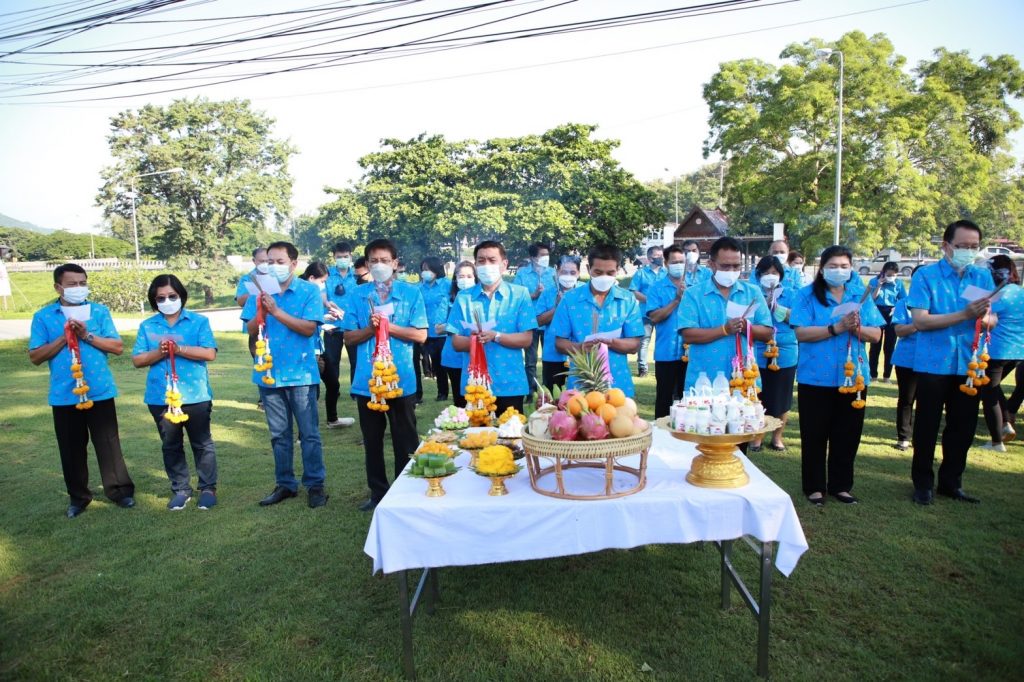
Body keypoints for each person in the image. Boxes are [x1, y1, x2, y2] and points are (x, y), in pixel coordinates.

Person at [29, 263, 135, 518]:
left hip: (99, 390)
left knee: (108, 444)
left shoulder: (99, 312)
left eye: (82, 283)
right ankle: (78, 498)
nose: (78, 288)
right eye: (72, 284)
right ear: (58, 287)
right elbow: (35, 356)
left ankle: (120, 491)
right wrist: (63, 337)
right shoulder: (44, 317)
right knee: (71, 447)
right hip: (64, 394)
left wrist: (86, 335)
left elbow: (117, 347)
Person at [908, 219, 994, 505]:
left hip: (970, 364)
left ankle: (951, 483)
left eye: (974, 246)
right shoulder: (926, 276)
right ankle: (923, 484)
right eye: (963, 246)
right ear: (946, 246)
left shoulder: (982, 277)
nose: (969, 251)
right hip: (934, 362)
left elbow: (992, 318)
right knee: (927, 426)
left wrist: (986, 318)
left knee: (963, 427)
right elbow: (920, 321)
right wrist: (964, 315)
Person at [790, 246, 884, 505]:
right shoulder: (806, 295)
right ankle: (814, 486)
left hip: (853, 377)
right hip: (815, 377)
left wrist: (856, 328)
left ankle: (841, 486)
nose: (839, 271)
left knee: (848, 433)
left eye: (844, 266)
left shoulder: (859, 295)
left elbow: (876, 334)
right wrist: (836, 328)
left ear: (851, 268)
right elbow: (801, 333)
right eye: (833, 266)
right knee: (814, 433)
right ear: (822, 269)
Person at [242, 241, 329, 509]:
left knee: (309, 434)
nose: (273, 266)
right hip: (268, 373)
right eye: (270, 261)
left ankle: (315, 484)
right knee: (279, 434)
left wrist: (276, 311)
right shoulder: (259, 290)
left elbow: (309, 329)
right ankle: (285, 484)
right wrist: (261, 310)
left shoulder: (308, 291)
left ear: (293, 263)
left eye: (280, 262)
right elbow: (250, 329)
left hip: (300, 374)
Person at [344, 239, 428, 512]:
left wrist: (388, 327)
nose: (379, 265)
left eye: (384, 260)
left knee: (406, 438)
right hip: (368, 380)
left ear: (395, 263)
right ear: (367, 264)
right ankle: (378, 493)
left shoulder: (411, 293)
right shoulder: (357, 295)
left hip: (401, 379)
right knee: (372, 440)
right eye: (373, 261)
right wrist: (371, 329)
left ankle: (406, 492)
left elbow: (420, 335)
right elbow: (349, 337)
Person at [132, 274, 219, 510]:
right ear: (154, 300)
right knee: (171, 445)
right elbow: (138, 360)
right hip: (161, 396)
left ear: (181, 295)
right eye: (161, 298)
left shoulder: (198, 321)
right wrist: (160, 352)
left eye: (172, 296)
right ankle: (181, 489)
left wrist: (179, 348)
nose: (167, 301)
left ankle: (208, 488)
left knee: (202, 443)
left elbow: (209, 353)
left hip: (195, 394)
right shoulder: (148, 326)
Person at [448, 240, 537, 414]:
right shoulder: (464, 298)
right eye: (481, 261)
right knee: (476, 431)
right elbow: (456, 342)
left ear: (504, 264)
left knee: (510, 430)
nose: (486, 265)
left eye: (492, 260)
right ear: (475, 265)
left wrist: (496, 336)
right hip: (475, 386)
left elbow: (526, 339)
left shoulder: (520, 295)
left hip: (509, 384)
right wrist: (475, 340)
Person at [678, 237, 773, 391]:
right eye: (725, 266)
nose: (731, 271)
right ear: (711, 264)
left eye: (736, 266)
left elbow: (768, 332)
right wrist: (724, 330)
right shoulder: (693, 294)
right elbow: (688, 335)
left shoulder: (752, 293)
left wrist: (746, 328)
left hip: (744, 380)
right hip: (705, 381)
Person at [551, 244, 644, 396]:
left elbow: (634, 344)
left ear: (618, 270)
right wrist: (581, 347)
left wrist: (611, 343)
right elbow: (560, 343)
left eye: (610, 273)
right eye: (598, 272)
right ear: (589, 269)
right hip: (581, 385)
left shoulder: (627, 300)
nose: (604, 277)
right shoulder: (570, 300)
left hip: (618, 385)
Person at [750, 256, 798, 451]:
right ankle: (757, 437)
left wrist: (778, 308)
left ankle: (777, 437)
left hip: (785, 351)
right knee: (759, 395)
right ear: (759, 275)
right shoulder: (753, 294)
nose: (770, 276)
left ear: (781, 275)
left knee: (782, 397)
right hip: (759, 350)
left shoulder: (792, 294)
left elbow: (799, 320)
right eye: (766, 273)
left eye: (774, 273)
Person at [300, 262, 355, 428]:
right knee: (312, 390)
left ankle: (332, 420)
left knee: (333, 384)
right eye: (322, 281)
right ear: (311, 278)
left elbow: (314, 318)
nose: (324, 285)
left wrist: (325, 319)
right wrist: (323, 320)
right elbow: (301, 321)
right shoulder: (301, 294)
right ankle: (305, 433)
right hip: (307, 349)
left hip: (319, 347)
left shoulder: (314, 293)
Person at [979, 255, 1024, 451]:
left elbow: (982, 315)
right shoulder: (1020, 292)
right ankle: (1006, 420)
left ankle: (997, 441)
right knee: (993, 387)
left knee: (989, 394)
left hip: (998, 349)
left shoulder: (998, 295)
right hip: (1019, 351)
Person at [645, 245, 689, 418]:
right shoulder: (656, 288)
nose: (679, 265)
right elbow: (654, 317)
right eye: (674, 262)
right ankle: (661, 432)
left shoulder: (695, 287)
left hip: (691, 353)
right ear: (666, 263)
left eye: (681, 262)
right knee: (664, 399)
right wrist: (676, 300)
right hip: (666, 353)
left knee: (689, 400)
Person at [513, 243, 557, 399]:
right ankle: (530, 391)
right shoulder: (522, 274)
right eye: (542, 255)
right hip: (530, 322)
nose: (546, 257)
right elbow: (516, 297)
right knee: (531, 360)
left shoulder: (553, 273)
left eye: (547, 254)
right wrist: (534, 295)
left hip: (549, 322)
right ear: (532, 257)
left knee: (549, 358)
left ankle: (547, 391)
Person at [536, 255, 583, 394]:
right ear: (557, 272)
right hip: (553, 354)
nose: (568, 276)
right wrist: (557, 307)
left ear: (579, 273)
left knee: (579, 397)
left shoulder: (585, 292)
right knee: (553, 396)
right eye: (564, 272)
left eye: (572, 272)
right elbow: (538, 321)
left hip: (581, 354)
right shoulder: (547, 293)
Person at [323, 243, 359, 424]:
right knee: (331, 362)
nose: (342, 259)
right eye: (339, 256)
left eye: (345, 256)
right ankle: (333, 390)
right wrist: (327, 305)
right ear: (334, 257)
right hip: (332, 327)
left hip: (353, 326)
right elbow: (321, 294)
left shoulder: (358, 276)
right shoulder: (327, 275)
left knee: (356, 361)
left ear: (351, 256)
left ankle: (356, 390)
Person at [890, 265, 924, 451]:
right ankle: (903, 437)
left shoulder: (938, 304)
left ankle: (922, 438)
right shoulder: (904, 303)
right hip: (907, 359)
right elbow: (899, 330)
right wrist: (921, 323)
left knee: (927, 402)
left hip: (932, 359)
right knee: (906, 399)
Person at [236, 247, 270, 409]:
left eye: (267, 260)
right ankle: (263, 397)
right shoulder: (247, 278)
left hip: (274, 325)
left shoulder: (276, 276)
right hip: (256, 326)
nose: (265, 264)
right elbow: (240, 301)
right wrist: (256, 291)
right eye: (261, 261)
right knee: (259, 359)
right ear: (254, 261)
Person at [415, 256, 451, 402]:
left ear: (436, 269)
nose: (425, 272)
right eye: (423, 269)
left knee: (445, 363)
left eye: (428, 269)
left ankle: (450, 390)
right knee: (433, 363)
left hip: (444, 331)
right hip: (425, 330)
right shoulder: (419, 288)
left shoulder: (447, 285)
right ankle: (440, 392)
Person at [440, 262, 476, 407]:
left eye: (469, 276)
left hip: (477, 354)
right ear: (455, 279)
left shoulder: (481, 298)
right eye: (461, 276)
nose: (465, 280)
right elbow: (437, 328)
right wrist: (456, 325)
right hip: (454, 355)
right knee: (461, 400)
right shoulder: (448, 300)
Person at [628, 245, 666, 377]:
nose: (661, 258)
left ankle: (663, 366)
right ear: (650, 259)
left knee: (663, 340)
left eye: (662, 255)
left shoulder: (666, 273)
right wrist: (649, 301)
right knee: (644, 341)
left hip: (663, 313)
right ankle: (642, 368)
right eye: (658, 256)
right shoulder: (641, 273)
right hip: (645, 313)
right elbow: (633, 291)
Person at [866, 262, 907, 381]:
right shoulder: (874, 281)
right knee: (875, 345)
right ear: (883, 273)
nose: (891, 277)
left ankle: (886, 376)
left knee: (890, 346)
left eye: (893, 275)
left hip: (891, 313)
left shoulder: (898, 283)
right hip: (877, 312)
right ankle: (873, 375)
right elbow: (870, 299)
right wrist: (879, 285)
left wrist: (896, 308)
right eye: (889, 275)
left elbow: (903, 300)